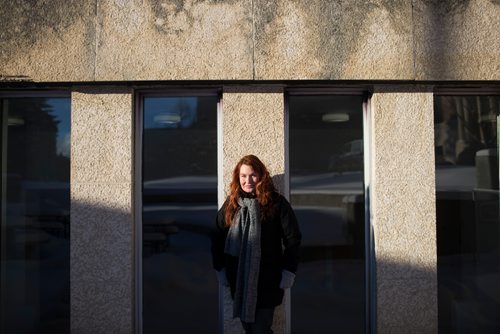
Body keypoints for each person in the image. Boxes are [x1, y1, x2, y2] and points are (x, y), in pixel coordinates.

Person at [211, 155, 302, 334]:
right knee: (249, 329)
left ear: (261, 176)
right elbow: (217, 237)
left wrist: (288, 270)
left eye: (252, 175)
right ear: (238, 177)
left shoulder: (276, 203)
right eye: (243, 176)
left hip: (268, 280)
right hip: (239, 279)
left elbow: (293, 239)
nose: (248, 180)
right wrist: (220, 267)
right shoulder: (232, 204)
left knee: (260, 329)